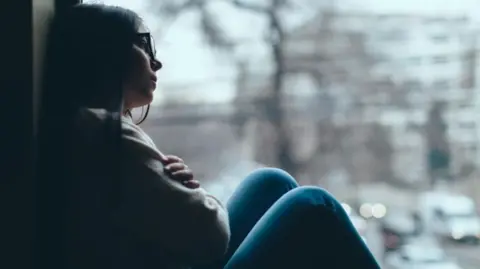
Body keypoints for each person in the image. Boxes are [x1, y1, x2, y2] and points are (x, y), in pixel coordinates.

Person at [37, 3, 381, 269]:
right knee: (314, 205)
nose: (156, 64)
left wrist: (179, 196)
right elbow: (211, 238)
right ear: (106, 53)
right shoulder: (109, 137)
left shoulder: (78, 127)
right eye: (143, 45)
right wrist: (194, 192)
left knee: (270, 181)